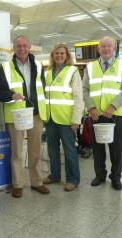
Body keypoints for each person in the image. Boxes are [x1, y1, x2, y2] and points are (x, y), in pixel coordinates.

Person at [0, 35, 49, 198]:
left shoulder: (39, 66)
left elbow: (42, 88)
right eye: (18, 46)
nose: (22, 49)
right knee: (17, 152)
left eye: (25, 45)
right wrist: (12, 95)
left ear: (30, 47)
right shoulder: (5, 67)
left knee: (35, 151)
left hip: (35, 114)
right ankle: (18, 184)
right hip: (16, 115)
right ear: (14, 48)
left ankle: (37, 181)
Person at [83, 36, 122, 190]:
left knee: (115, 149)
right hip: (95, 115)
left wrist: (113, 106)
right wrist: (90, 108)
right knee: (97, 149)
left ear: (114, 48)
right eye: (102, 46)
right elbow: (85, 90)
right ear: (98, 49)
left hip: (115, 115)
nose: (105, 49)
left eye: (109, 46)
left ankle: (116, 177)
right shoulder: (90, 67)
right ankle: (100, 175)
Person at [42, 43, 83, 191]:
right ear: (52, 56)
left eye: (62, 53)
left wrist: (76, 119)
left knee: (70, 151)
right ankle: (55, 175)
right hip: (50, 119)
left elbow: (78, 97)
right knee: (52, 150)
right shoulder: (47, 73)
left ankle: (73, 179)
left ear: (67, 56)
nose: (59, 56)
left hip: (67, 120)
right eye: (56, 53)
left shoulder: (73, 71)